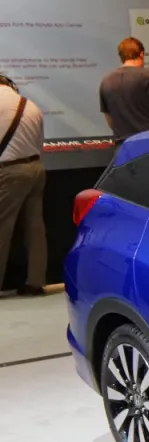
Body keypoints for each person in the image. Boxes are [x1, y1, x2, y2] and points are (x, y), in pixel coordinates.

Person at [0, 75, 47, 297]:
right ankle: (35, 282)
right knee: (35, 227)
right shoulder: (31, 105)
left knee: (2, 228)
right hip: (36, 168)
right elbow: (39, 143)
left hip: (10, 171)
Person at [99, 37, 149, 140]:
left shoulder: (106, 81)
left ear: (121, 57)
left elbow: (109, 119)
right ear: (141, 54)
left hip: (123, 143)